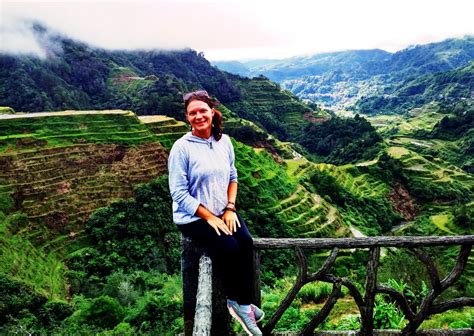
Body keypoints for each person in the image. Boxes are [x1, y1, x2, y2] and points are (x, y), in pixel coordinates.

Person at [168, 90, 264, 335]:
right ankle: (240, 305)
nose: (198, 116)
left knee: (246, 241)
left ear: (212, 112)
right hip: (193, 217)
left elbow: (233, 176)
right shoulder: (181, 148)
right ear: (187, 118)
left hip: (223, 210)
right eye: (193, 113)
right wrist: (209, 217)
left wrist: (230, 208)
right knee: (230, 246)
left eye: (203, 111)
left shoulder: (225, 141)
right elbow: (178, 193)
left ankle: (244, 304)